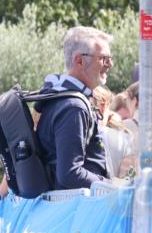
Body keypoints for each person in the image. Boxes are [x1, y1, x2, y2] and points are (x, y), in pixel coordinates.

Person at [34, 26, 110, 190]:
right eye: (104, 58)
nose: (109, 64)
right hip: (74, 208)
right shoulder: (73, 107)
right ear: (79, 60)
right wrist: (109, 185)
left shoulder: (60, 97)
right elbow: (70, 173)